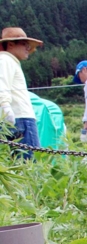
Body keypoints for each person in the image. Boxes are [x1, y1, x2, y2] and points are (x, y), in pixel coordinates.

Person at [0, 27, 43, 159]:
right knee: (29, 163)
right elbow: (1, 84)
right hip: (20, 118)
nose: (27, 48)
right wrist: (5, 107)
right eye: (24, 44)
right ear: (11, 44)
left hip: (16, 117)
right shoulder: (5, 60)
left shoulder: (10, 61)